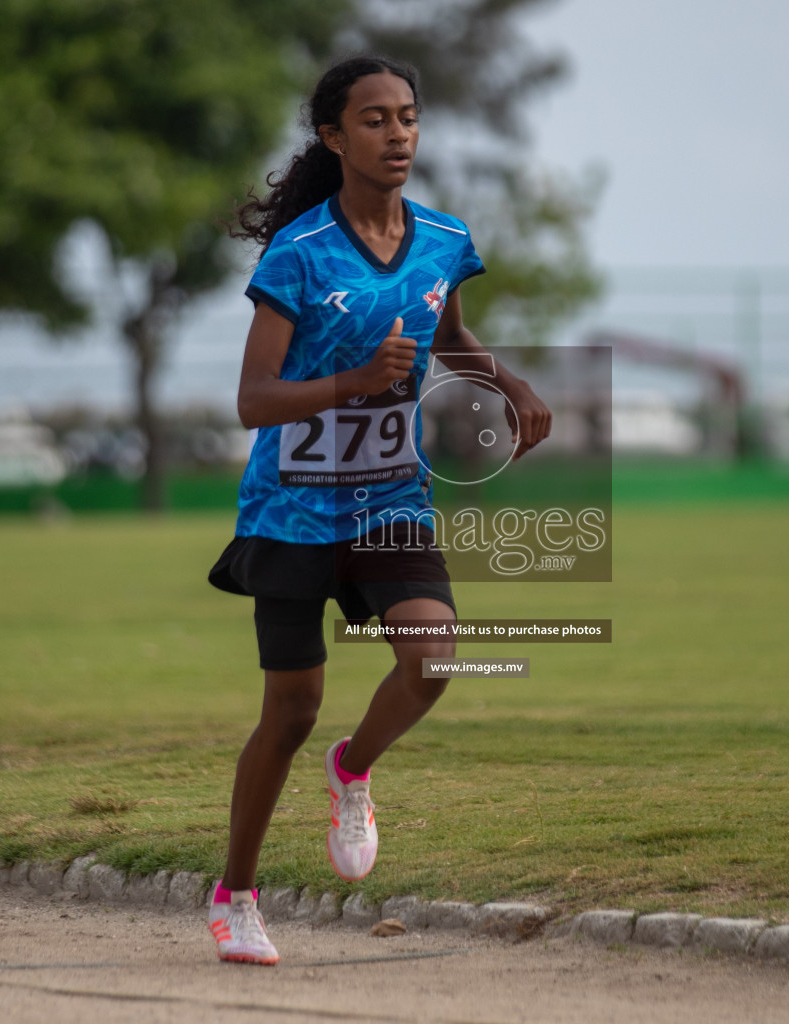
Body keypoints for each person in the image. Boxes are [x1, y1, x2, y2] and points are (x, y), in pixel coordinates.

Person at [204, 55, 553, 965]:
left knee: (433, 662)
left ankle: (353, 770)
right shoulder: (300, 254)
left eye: (407, 117)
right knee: (289, 711)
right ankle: (234, 894)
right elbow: (252, 399)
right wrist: (353, 383)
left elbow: (450, 336)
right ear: (332, 136)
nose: (397, 134)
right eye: (374, 120)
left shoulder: (442, 239)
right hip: (292, 510)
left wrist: (506, 382)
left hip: (391, 500)